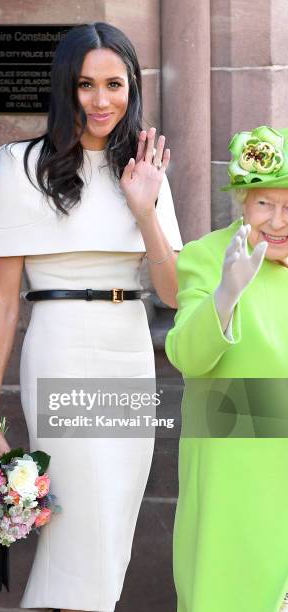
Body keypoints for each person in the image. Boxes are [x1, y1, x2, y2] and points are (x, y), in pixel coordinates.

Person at [0, 22, 182, 612]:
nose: (100, 100)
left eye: (114, 84)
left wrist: (145, 209)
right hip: (62, 346)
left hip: (129, 349)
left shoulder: (145, 167)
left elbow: (170, 292)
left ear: (132, 87)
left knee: (110, 529)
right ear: (65, 87)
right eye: (85, 84)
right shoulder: (20, 164)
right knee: (83, 526)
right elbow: (4, 302)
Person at [165, 125, 288, 612]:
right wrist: (225, 295)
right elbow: (186, 356)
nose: (278, 221)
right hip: (235, 469)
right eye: (264, 205)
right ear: (241, 201)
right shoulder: (208, 256)